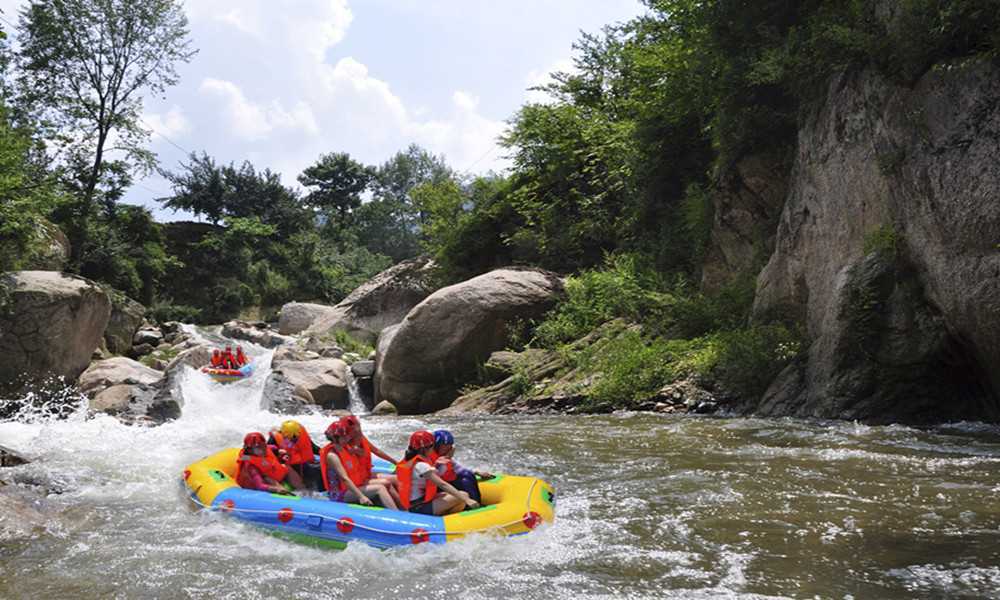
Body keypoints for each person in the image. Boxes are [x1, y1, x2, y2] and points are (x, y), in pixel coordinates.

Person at [394, 430, 479, 516]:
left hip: (419, 501)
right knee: (463, 496)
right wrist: (467, 500)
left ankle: (447, 516)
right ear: (427, 448)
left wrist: (447, 458)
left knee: (461, 495)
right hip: (418, 507)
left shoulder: (412, 460)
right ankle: (443, 519)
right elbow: (442, 484)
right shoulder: (421, 465)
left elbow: (438, 474)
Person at [320, 421, 397, 508]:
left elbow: (365, 453)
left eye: (348, 436)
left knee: (386, 483)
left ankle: (404, 509)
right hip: (340, 493)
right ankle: (398, 515)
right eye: (344, 437)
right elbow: (344, 478)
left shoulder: (346, 448)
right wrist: (361, 496)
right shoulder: (332, 456)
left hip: (354, 485)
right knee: (380, 488)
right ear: (335, 438)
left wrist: (357, 450)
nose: (348, 438)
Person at [431, 429, 490, 504]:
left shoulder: (444, 457)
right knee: (465, 481)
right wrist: (447, 458)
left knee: (467, 475)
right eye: (444, 447)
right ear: (436, 446)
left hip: (446, 483)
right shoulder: (429, 457)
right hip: (437, 487)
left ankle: (477, 503)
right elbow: (435, 475)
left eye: (449, 447)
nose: (447, 449)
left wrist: (477, 472)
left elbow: (458, 468)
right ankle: (471, 505)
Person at [235, 432, 305, 493]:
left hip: (274, 475)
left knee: (286, 467)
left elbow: (273, 448)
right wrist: (276, 489)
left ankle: (303, 491)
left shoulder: (266, 449)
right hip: (256, 485)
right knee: (267, 478)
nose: (263, 449)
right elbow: (260, 486)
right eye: (258, 448)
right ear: (250, 450)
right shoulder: (251, 466)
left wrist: (280, 452)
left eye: (263, 446)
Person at [268, 420, 322, 490]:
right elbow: (268, 453)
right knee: (288, 469)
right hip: (285, 465)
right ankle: (302, 491)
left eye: (295, 437)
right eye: (290, 437)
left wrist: (324, 453)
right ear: (283, 434)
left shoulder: (301, 436)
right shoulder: (274, 439)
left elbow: (314, 448)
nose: (293, 439)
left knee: (320, 469)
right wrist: (278, 452)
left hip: (303, 464)